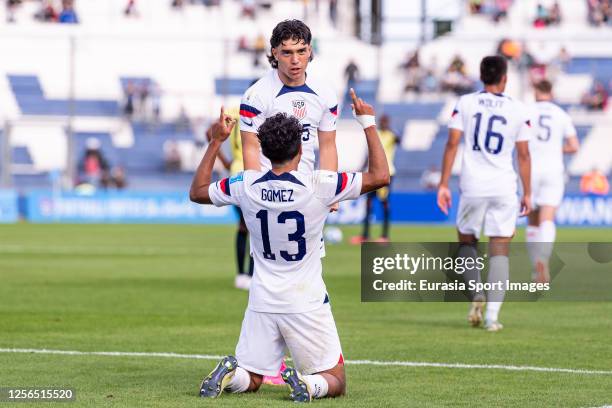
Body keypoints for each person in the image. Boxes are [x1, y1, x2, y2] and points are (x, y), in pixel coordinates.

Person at [190, 90, 389, 401]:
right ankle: (308, 385)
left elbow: (198, 191)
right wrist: (367, 122)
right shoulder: (320, 185)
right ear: (300, 150)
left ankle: (232, 376)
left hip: (262, 299)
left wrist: (216, 141)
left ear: (266, 152)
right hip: (305, 301)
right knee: (335, 379)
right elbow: (380, 175)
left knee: (252, 375)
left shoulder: (245, 185)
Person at [437, 55, 532, 332]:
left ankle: (476, 290)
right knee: (500, 249)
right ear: (505, 78)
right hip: (504, 185)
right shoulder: (518, 108)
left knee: (467, 240)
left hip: (473, 185)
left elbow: (452, 144)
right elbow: (524, 155)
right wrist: (528, 193)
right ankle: (492, 316)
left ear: (481, 76)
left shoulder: (466, 103)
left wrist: (443, 183)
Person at [526, 80, 579, 284]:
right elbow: (574, 146)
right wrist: (557, 148)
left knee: (532, 221)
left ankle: (535, 268)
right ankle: (543, 260)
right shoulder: (560, 114)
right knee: (547, 219)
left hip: (530, 170)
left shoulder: (526, 111)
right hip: (553, 170)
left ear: (535, 92)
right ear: (552, 92)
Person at [351, 114, 399, 244]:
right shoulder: (375, 134)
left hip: (386, 174)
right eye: (382, 121)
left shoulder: (391, 135)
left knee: (384, 204)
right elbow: (369, 153)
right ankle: (365, 235)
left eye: (385, 121)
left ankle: (385, 236)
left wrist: (390, 128)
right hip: (372, 173)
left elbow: (399, 139)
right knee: (368, 204)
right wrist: (361, 168)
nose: (383, 123)